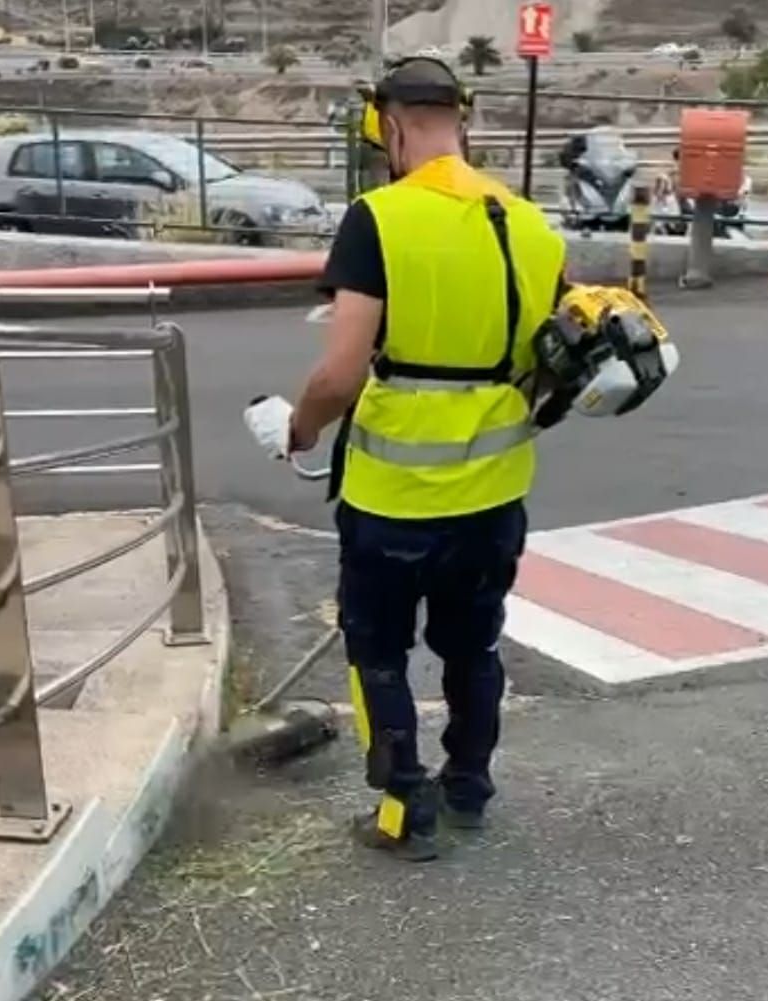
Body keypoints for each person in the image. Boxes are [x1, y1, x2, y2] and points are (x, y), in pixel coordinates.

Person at [286, 55, 567, 862]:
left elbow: (339, 372)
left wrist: (301, 427)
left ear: (390, 124)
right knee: (472, 646)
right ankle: (468, 788)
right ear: (462, 117)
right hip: (496, 491)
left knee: (376, 650)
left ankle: (406, 810)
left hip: (393, 496)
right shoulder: (530, 224)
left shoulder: (380, 218)